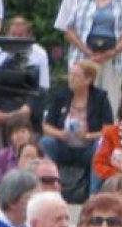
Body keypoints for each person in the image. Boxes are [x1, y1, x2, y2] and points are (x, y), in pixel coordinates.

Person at [40, 59, 111, 199]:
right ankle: (48, 189)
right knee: (46, 142)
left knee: (101, 145)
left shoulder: (100, 97)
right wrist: (60, 134)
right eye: (70, 75)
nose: (71, 79)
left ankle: (93, 194)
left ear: (88, 79)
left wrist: (88, 136)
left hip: (88, 147)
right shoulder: (62, 95)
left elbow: (108, 130)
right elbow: (46, 126)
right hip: (64, 146)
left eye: (75, 76)